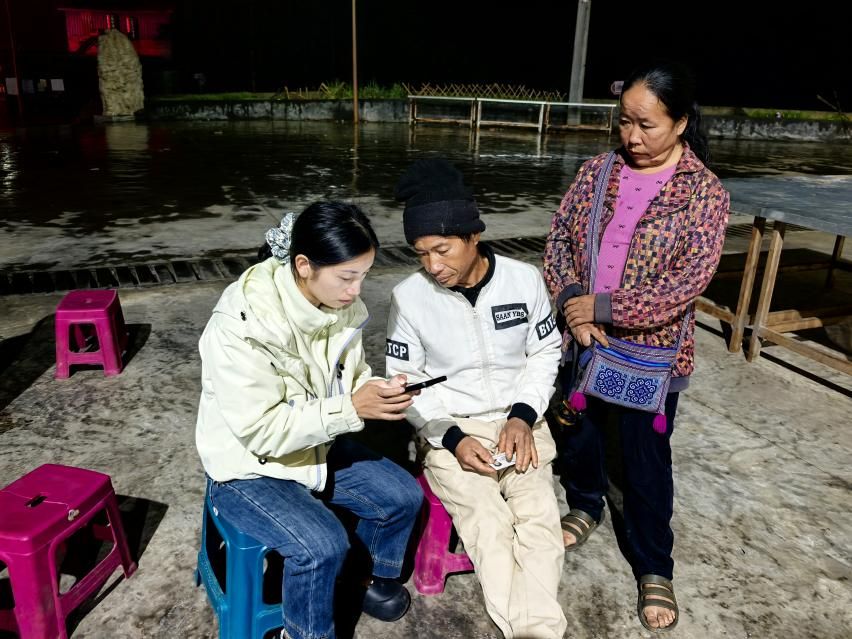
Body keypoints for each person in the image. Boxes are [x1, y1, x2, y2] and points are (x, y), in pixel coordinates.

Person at [543, 61, 730, 632]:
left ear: (680, 123)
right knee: (579, 432)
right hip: (583, 338)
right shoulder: (596, 173)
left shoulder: (704, 193)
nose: (632, 136)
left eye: (647, 125)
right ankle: (585, 503)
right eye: (625, 122)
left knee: (645, 461)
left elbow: (686, 282)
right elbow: (559, 241)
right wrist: (572, 303)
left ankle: (653, 563)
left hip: (651, 353)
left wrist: (602, 309)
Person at [195, 202, 423, 639]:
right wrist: (350, 409)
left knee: (402, 497)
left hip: (316, 443)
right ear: (303, 265)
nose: (356, 290)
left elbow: (352, 377)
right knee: (321, 546)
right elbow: (261, 430)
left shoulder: (340, 306)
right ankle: (303, 632)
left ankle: (359, 577)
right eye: (347, 277)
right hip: (249, 465)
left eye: (364, 275)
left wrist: (376, 389)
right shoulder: (242, 322)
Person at [386, 159, 566, 639]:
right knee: (488, 524)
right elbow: (405, 382)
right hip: (452, 429)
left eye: (442, 250)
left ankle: (534, 631)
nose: (433, 266)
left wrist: (523, 415)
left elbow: (545, 352)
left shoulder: (523, 280)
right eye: (421, 253)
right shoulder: (409, 297)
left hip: (520, 424)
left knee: (539, 522)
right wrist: (452, 438)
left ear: (473, 236)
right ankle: (533, 632)